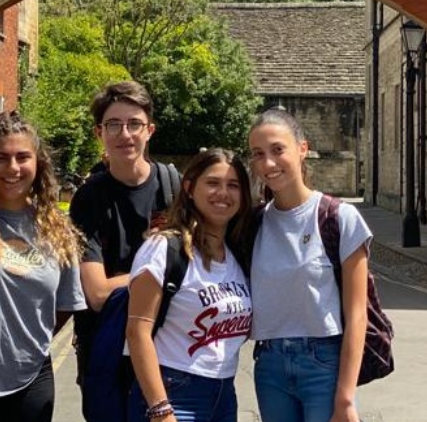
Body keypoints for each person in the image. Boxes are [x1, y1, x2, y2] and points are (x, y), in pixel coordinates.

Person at [247, 108, 372, 422]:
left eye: (278, 150)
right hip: (270, 365)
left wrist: (345, 398)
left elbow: (358, 314)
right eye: (258, 154)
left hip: (323, 361)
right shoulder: (252, 224)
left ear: (303, 149)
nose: (268, 164)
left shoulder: (338, 217)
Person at [0, 111, 86, 421]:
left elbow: (64, 306)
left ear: (37, 163)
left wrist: (28, 339)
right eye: (1, 158)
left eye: (22, 157)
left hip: (32, 379)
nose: (12, 168)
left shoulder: (57, 229)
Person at [69, 81, 181, 418]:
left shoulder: (173, 187)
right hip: (107, 355)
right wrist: (156, 274)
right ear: (98, 133)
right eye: (113, 125)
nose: (125, 134)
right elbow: (98, 293)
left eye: (134, 124)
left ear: (150, 131)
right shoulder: (88, 199)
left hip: (166, 349)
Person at [124, 148, 253, 422]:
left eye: (233, 186)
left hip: (223, 393)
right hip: (173, 391)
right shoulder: (163, 249)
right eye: (213, 183)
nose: (223, 193)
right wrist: (160, 409)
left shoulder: (237, 256)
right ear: (190, 188)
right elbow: (137, 332)